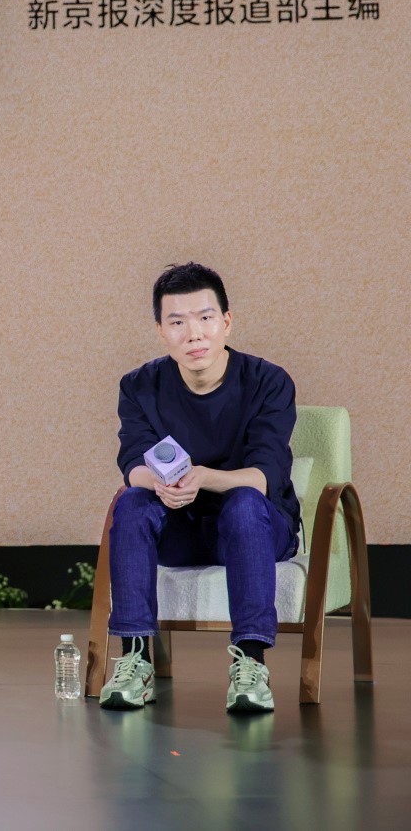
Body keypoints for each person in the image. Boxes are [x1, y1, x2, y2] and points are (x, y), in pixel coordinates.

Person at [99, 262, 299, 715]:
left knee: (243, 502)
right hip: (182, 529)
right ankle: (135, 659)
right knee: (132, 502)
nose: (193, 334)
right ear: (160, 331)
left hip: (259, 527)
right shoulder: (139, 386)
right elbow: (133, 464)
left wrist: (205, 477)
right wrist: (160, 485)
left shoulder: (268, 382)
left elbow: (265, 474)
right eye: (177, 322)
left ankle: (250, 664)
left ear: (226, 321)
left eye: (205, 318)